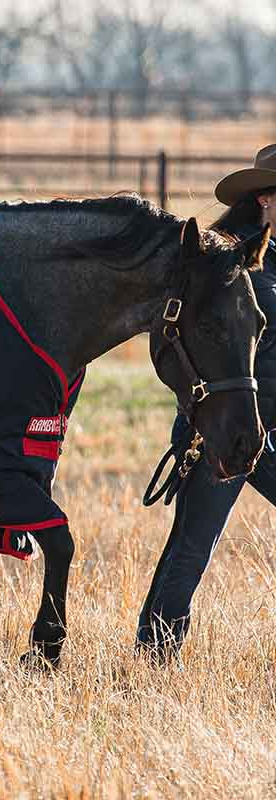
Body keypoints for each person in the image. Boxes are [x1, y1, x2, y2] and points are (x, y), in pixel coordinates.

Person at [137, 144, 276, 657]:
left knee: (192, 544)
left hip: (259, 426)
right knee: (193, 545)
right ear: (265, 199)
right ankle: (154, 655)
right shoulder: (231, 265)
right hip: (223, 426)